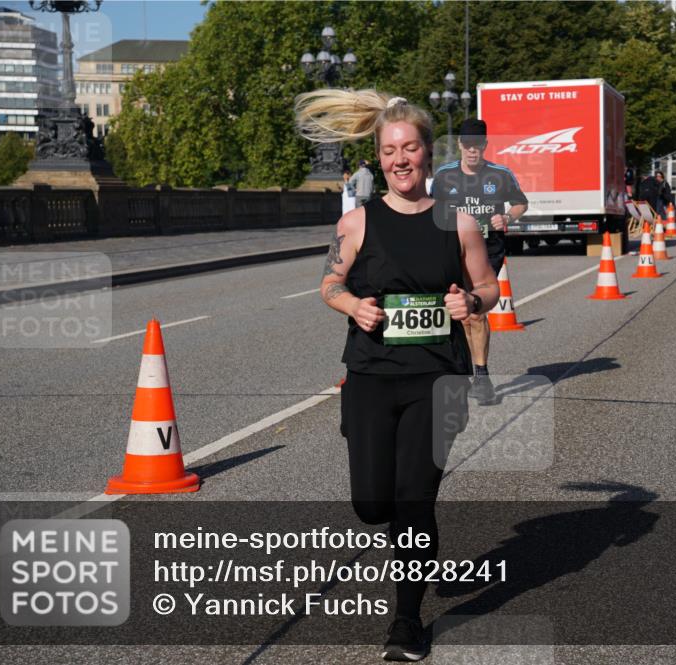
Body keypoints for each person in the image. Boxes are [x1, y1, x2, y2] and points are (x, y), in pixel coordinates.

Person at [296, 88, 500, 661]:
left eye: (410, 147)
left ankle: (406, 621)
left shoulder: (459, 223)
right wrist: (351, 306)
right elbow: (329, 284)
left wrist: (474, 305)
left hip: (437, 378)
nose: (401, 159)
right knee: (371, 504)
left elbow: (487, 285)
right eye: (390, 150)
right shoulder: (357, 223)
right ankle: (419, 551)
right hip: (371, 376)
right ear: (379, 158)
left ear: (429, 153)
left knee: (414, 502)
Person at [431, 118, 528, 406]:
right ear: (460, 145)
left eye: (478, 146)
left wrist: (508, 217)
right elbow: (429, 209)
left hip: (488, 251)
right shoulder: (444, 176)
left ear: (485, 146)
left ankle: (481, 376)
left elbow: (521, 202)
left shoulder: (500, 174)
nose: (473, 151)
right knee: (454, 312)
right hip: (451, 251)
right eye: (468, 146)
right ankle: (456, 370)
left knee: (474, 312)